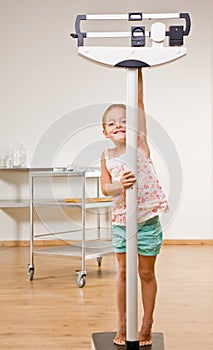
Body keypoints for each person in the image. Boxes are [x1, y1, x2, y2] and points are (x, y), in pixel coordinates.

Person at [100, 68, 168, 347]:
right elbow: (106, 189)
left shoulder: (139, 145)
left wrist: (137, 68)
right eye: (112, 123)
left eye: (124, 121)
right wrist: (121, 186)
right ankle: (122, 323)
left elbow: (139, 102)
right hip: (121, 221)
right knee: (124, 273)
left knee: (146, 273)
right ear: (104, 131)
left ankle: (147, 323)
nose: (119, 126)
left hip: (146, 220)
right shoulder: (105, 157)